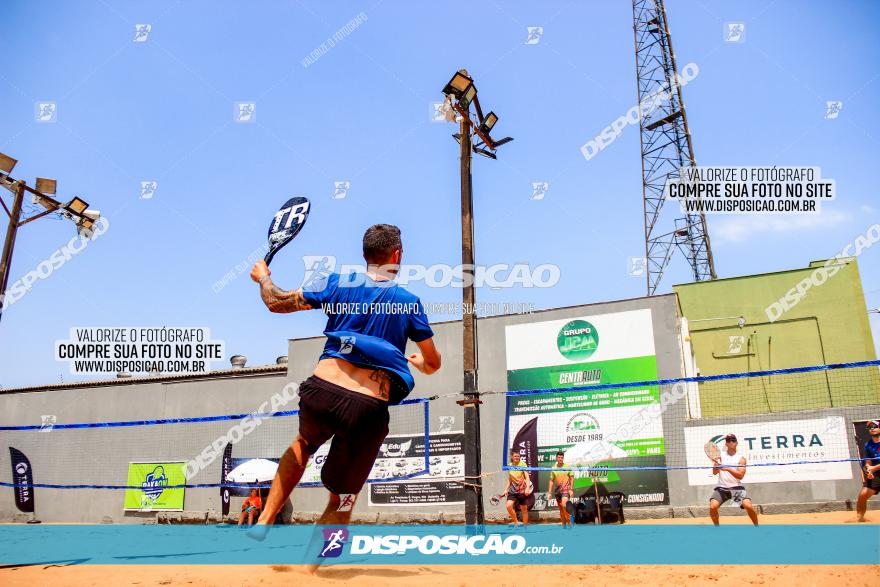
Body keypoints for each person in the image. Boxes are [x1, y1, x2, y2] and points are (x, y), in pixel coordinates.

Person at [248, 224, 441, 535]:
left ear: (364, 255)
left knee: (302, 444)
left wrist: (263, 278)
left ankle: (265, 518)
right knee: (344, 498)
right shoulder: (409, 302)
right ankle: (315, 567)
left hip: (322, 391)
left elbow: (276, 302)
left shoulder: (339, 284)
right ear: (397, 255)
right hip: (366, 406)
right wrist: (418, 363)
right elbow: (433, 363)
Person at [709, 433, 758, 526]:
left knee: (748, 506)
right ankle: (717, 529)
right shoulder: (720, 456)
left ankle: (757, 527)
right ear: (726, 444)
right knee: (712, 506)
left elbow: (740, 476)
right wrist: (716, 466)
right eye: (728, 440)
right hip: (722, 488)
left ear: (737, 443)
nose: (731, 442)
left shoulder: (741, 459)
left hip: (736, 488)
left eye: (733, 440)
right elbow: (715, 472)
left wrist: (728, 468)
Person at [855, 420, 880, 522]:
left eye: (874, 426)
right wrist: (868, 471)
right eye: (869, 428)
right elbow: (867, 463)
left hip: (876, 470)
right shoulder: (868, 445)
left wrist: (873, 468)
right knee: (862, 495)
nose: (872, 429)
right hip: (876, 476)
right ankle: (859, 518)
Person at [505, 450, 532, 526]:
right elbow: (510, 479)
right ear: (512, 457)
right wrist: (506, 489)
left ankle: (525, 527)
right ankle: (516, 522)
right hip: (512, 490)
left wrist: (527, 488)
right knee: (508, 506)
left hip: (521, 490)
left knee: (524, 510)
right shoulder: (510, 465)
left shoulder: (523, 464)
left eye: (518, 456)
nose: (517, 457)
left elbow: (527, 477)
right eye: (515, 456)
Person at [548, 451, 574, 526]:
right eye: (559, 457)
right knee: (561, 510)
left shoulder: (567, 466)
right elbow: (551, 481)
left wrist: (571, 489)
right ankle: (564, 526)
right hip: (558, 491)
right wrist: (549, 493)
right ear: (556, 458)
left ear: (563, 458)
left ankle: (569, 522)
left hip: (566, 490)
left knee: (564, 505)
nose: (560, 459)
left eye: (561, 457)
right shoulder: (553, 468)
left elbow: (572, 478)